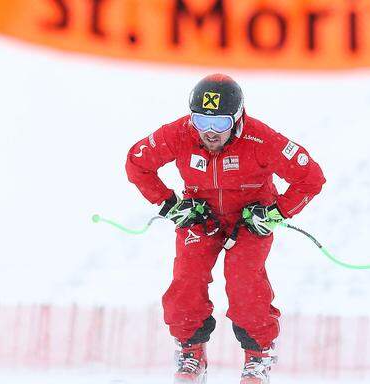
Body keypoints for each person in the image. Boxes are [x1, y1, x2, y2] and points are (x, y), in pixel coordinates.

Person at [126, 74, 326, 384]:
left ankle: (258, 357)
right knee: (187, 279)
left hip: (249, 221)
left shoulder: (262, 139)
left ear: (238, 118)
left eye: (219, 123)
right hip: (199, 217)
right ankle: (191, 352)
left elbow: (310, 178)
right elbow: (137, 162)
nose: (208, 132)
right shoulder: (179, 134)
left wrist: (276, 213)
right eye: (200, 121)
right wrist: (169, 205)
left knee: (244, 280)